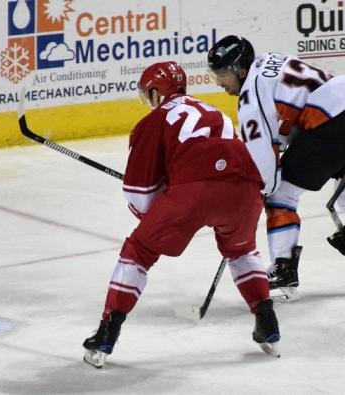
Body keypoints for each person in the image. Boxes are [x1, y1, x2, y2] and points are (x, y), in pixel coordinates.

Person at [82, 61, 280, 368]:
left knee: (139, 250)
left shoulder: (153, 122)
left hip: (194, 193)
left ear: (156, 93)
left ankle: (108, 331)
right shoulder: (214, 111)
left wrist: (164, 209)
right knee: (242, 251)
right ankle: (267, 322)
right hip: (245, 185)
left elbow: (140, 197)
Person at [207, 35, 345, 300]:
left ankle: (283, 266)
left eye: (223, 74)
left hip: (331, 122)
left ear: (240, 69)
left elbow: (265, 171)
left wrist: (255, 192)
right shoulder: (269, 63)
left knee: (280, 195)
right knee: (342, 190)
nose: (220, 83)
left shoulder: (250, 97)